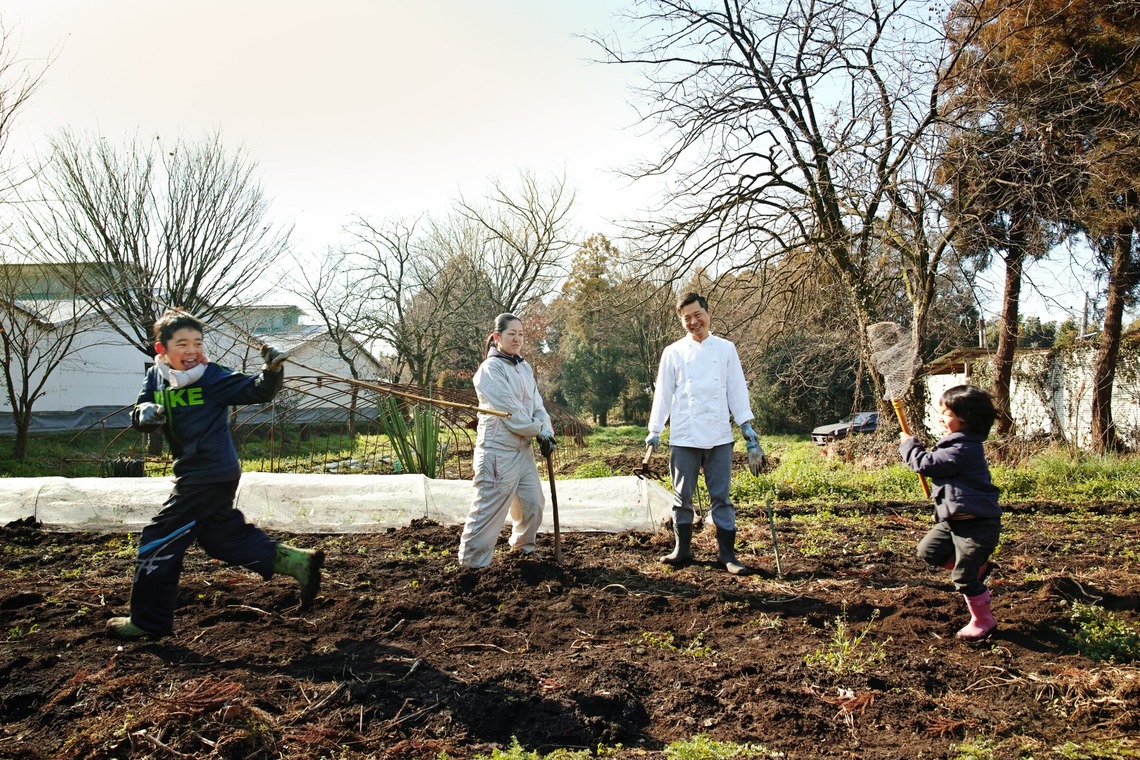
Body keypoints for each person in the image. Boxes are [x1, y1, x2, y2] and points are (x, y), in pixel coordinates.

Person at [106, 309, 324, 640]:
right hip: (194, 473)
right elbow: (140, 411)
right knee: (221, 538)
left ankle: (148, 622)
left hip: (209, 473)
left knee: (157, 540)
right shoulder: (155, 378)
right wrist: (144, 414)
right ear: (161, 349)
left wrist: (273, 369)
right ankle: (297, 563)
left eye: (197, 342)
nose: (192, 350)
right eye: (182, 343)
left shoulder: (212, 377)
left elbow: (257, 390)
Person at [646, 292, 762, 575]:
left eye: (697, 315)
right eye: (686, 318)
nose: (693, 322)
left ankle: (727, 554)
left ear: (708, 313)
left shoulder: (725, 349)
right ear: (681, 321)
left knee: (721, 497)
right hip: (684, 436)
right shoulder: (672, 352)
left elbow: (736, 389)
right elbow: (663, 394)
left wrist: (747, 427)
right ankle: (682, 549)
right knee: (681, 495)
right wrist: (655, 430)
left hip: (720, 435)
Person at [899, 384, 1001, 641]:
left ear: (965, 419)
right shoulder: (956, 444)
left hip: (977, 526)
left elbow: (926, 464)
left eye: (946, 413)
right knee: (928, 551)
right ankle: (977, 569)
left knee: (963, 578)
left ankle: (983, 620)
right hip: (954, 523)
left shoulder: (964, 448)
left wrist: (909, 445)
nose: (941, 417)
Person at [458, 313, 557, 568]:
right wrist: (539, 431)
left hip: (523, 450)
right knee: (488, 510)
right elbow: (511, 413)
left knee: (533, 503)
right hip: (497, 452)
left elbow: (537, 405)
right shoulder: (489, 370)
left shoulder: (524, 367)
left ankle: (524, 550)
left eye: (521, 334)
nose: (517, 339)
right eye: (511, 334)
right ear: (497, 337)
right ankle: (472, 565)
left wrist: (546, 430)